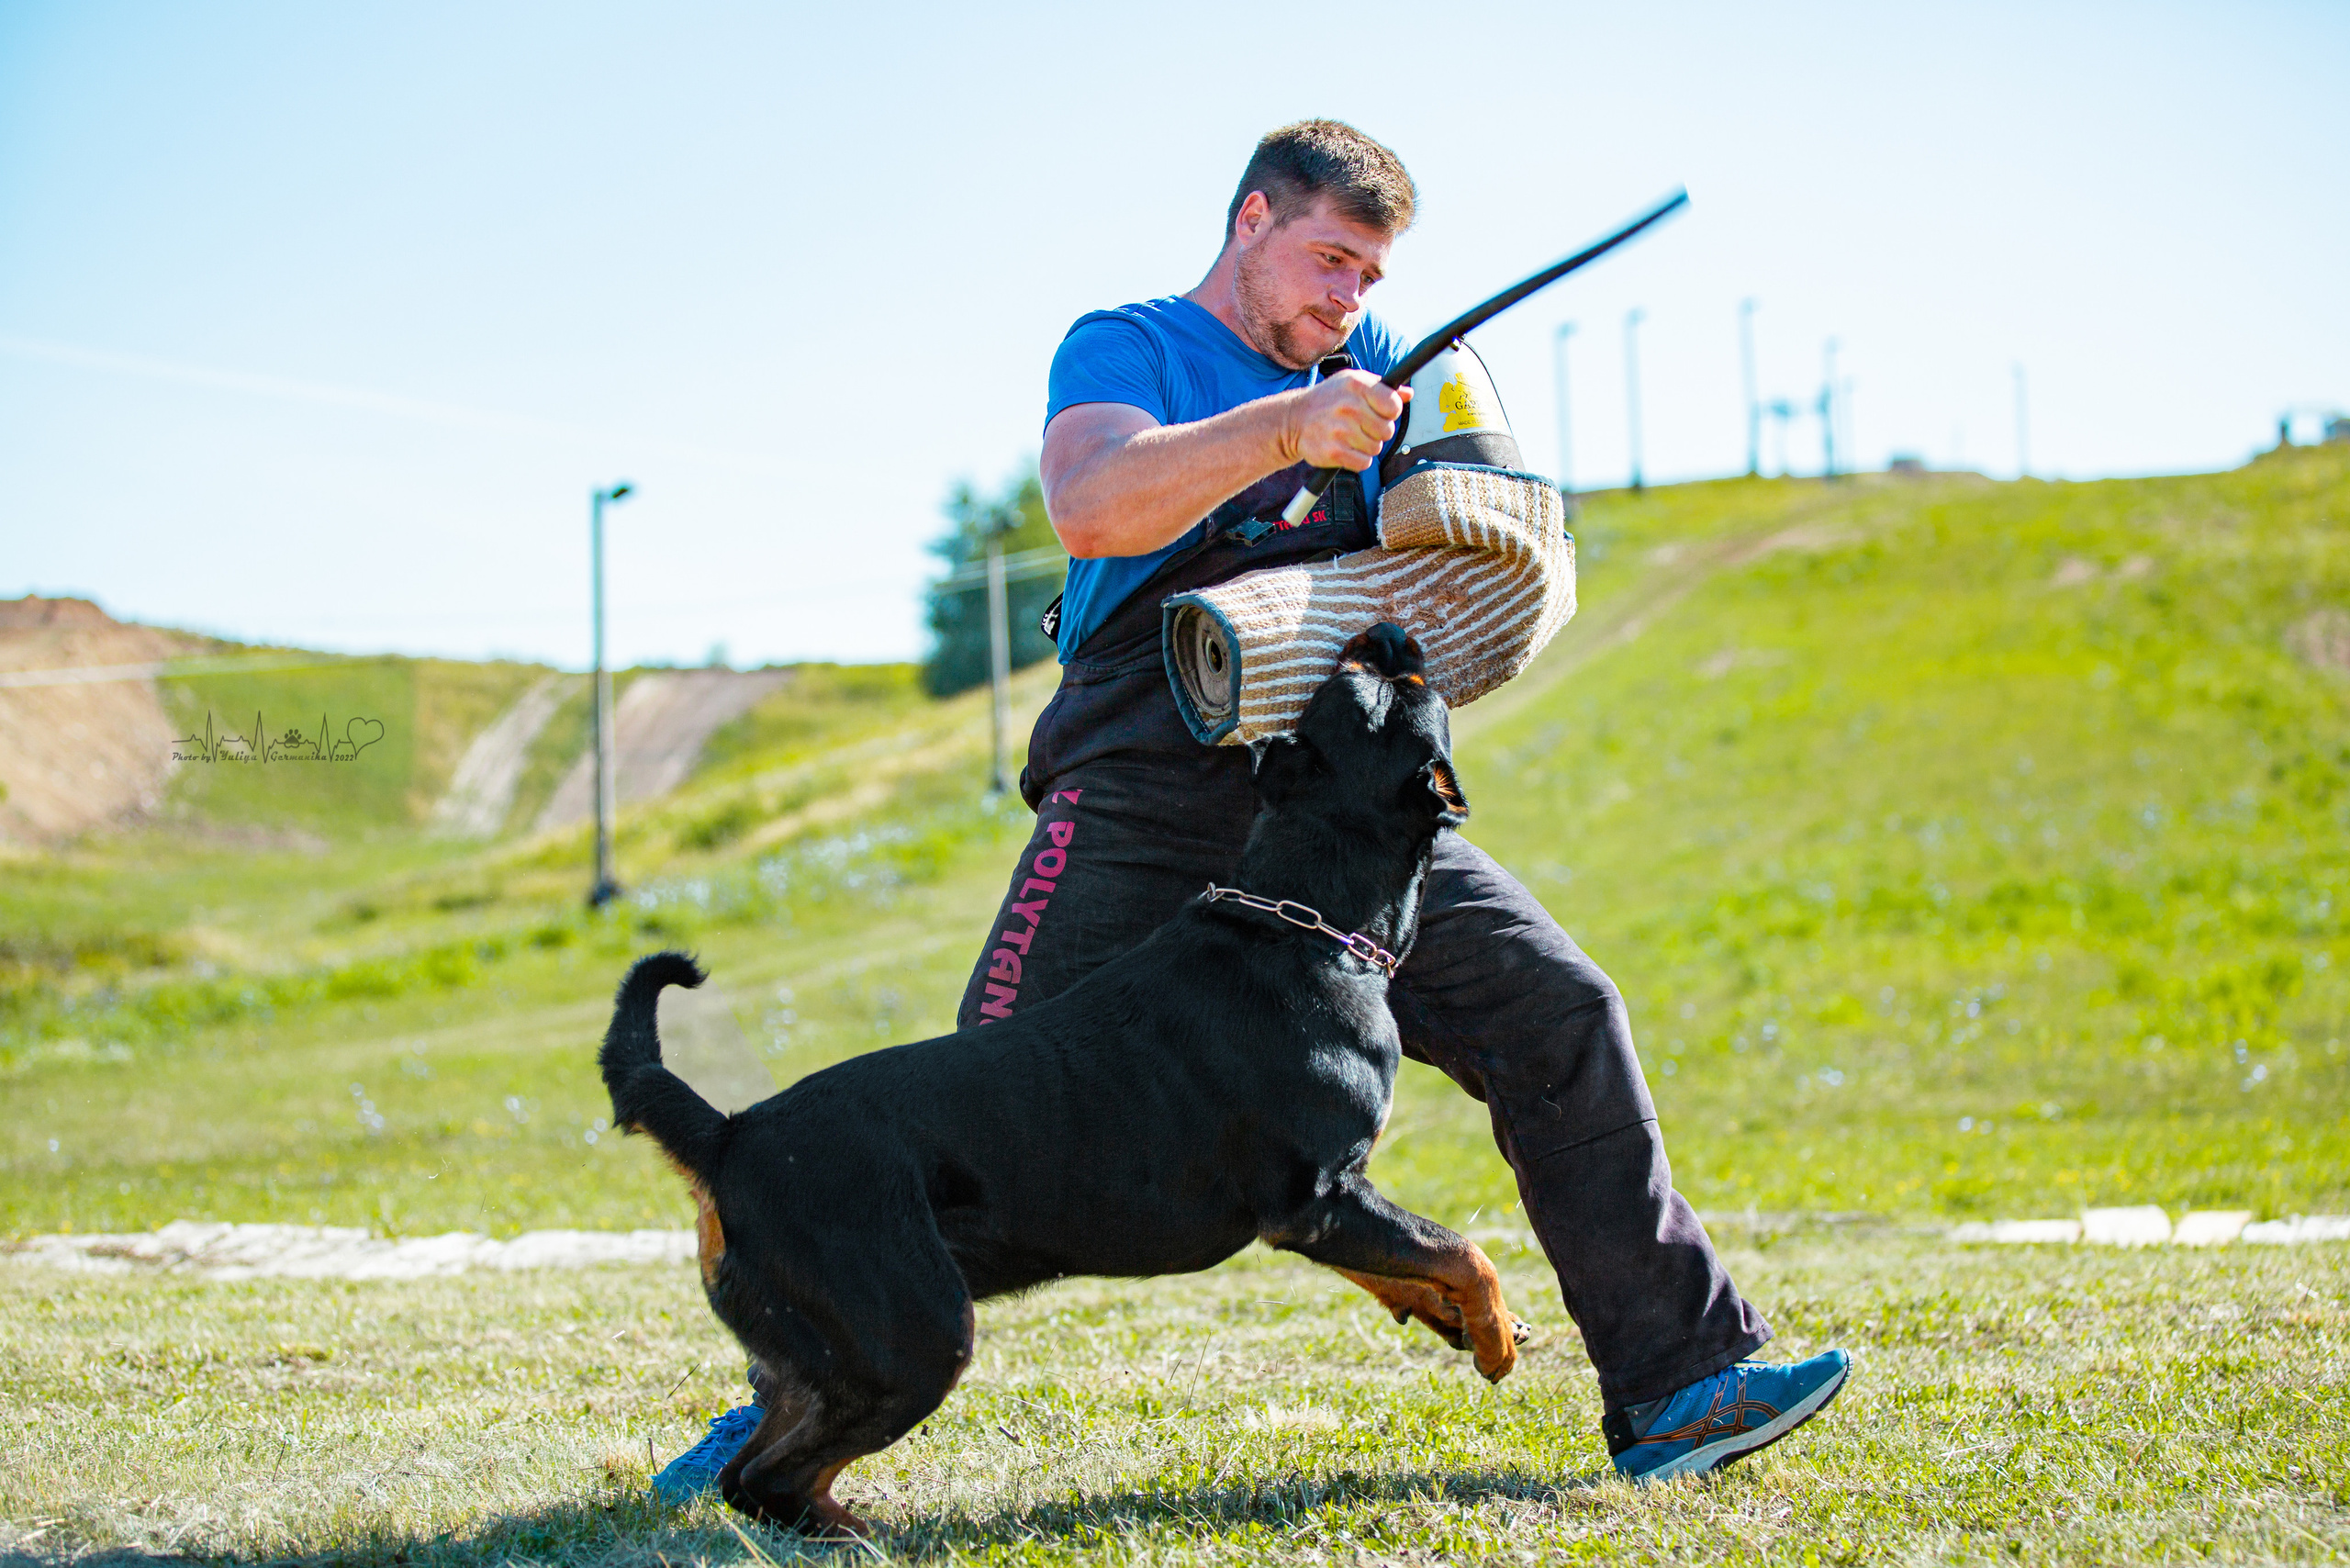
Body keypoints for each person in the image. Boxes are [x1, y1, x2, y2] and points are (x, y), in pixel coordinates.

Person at [655, 120, 1846, 1503]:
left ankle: (1680, 1382)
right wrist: (1287, 430)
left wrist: (1482, 505)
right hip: (1140, 786)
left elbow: (1470, 528)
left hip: (1331, 817)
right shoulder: (1134, 346)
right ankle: (788, 1410)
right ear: (1252, 221)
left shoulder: (1379, 364)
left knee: (1559, 1011)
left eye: (1372, 275)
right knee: (975, 1111)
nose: (1352, 299)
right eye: (1332, 260)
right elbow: (1092, 505)